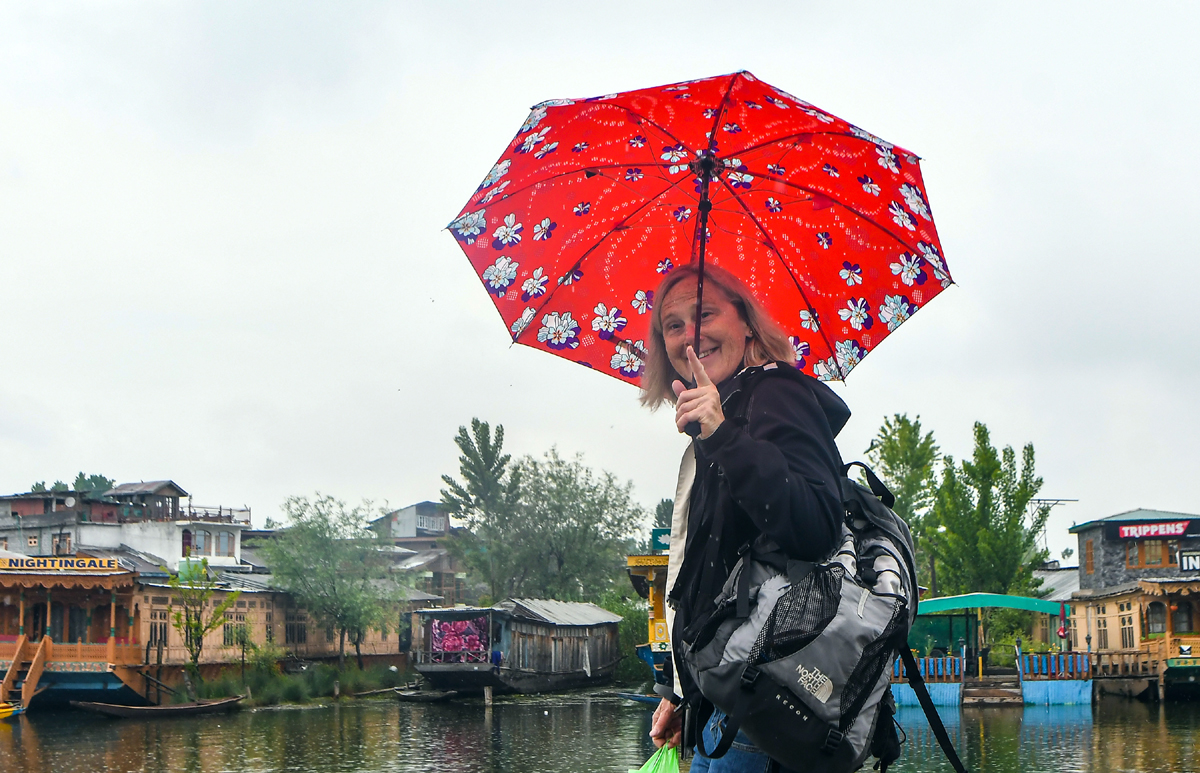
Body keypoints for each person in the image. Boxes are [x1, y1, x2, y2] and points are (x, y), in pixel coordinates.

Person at [643, 264, 851, 772]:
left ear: (748, 324)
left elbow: (815, 525)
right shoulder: (720, 414)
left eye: (705, 313)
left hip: (764, 711)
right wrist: (682, 694)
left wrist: (722, 434)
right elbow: (713, 579)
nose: (689, 335)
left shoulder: (776, 394)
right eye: (672, 325)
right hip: (727, 705)